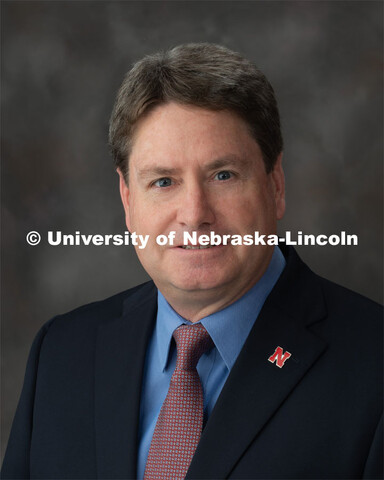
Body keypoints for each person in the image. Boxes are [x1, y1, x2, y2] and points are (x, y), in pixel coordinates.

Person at [1, 43, 382, 480]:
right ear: (128, 200)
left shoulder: (373, 366)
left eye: (223, 175)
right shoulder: (62, 353)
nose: (195, 212)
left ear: (275, 184)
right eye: (163, 181)